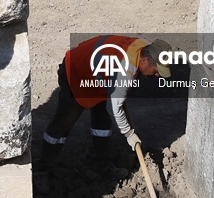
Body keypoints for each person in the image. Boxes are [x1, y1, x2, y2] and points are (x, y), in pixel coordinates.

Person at [34, 36, 171, 171]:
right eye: (157, 70)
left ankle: (102, 165)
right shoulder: (126, 68)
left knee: (103, 121)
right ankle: (42, 167)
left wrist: (131, 129)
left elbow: (119, 99)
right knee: (65, 121)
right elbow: (115, 107)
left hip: (100, 73)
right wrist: (129, 134)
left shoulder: (146, 48)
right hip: (77, 71)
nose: (157, 75)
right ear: (145, 61)